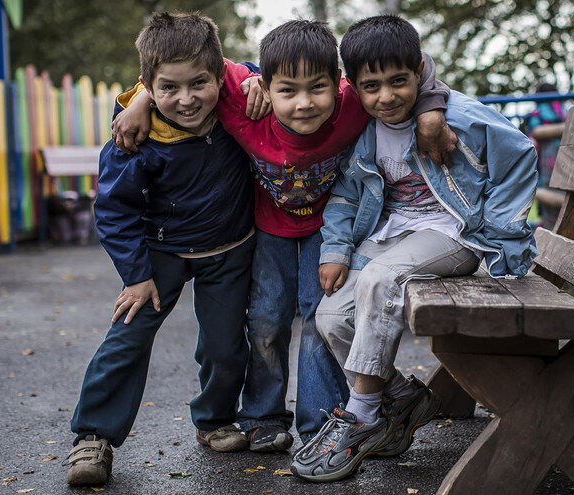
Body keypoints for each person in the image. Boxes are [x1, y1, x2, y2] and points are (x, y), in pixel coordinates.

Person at [111, 19, 457, 453]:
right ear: (266, 87)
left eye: (318, 88)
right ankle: (262, 417)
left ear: (339, 83)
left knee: (318, 320)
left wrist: (429, 115)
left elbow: (414, 68)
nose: (304, 104)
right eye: (287, 90)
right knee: (266, 321)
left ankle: (320, 422)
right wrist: (141, 99)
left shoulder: (353, 104)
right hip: (267, 230)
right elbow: (189, 67)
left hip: (328, 230)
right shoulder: (243, 101)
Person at [291, 14, 539, 482]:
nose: (386, 97)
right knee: (329, 316)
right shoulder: (365, 131)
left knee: (385, 279)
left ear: (419, 71)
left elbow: (521, 155)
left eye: (399, 81)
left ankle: (362, 418)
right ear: (355, 87)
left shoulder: (459, 117)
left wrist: (503, 230)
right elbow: (345, 193)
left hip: (455, 235)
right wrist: (336, 249)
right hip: (392, 236)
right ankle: (403, 398)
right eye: (372, 86)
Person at [65, 12, 257, 487]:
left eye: (200, 84)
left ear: (219, 77)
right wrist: (135, 274)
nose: (187, 99)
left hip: (228, 249)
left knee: (225, 345)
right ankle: (93, 435)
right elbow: (113, 208)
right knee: (128, 337)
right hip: (160, 254)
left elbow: (253, 71)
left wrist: (258, 82)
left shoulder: (238, 102)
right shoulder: (135, 137)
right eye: (168, 88)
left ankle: (214, 421)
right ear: (148, 85)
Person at [523, 82, 567, 230]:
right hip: (568, 160)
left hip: (546, 161)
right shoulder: (565, 112)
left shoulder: (537, 114)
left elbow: (532, 142)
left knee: (546, 194)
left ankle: (548, 227)